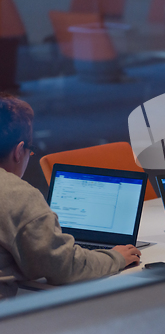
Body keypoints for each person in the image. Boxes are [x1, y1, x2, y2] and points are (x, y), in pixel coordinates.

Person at [0, 93, 141, 299]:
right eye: (30, 151)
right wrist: (116, 257)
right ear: (19, 151)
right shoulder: (17, 196)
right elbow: (64, 268)